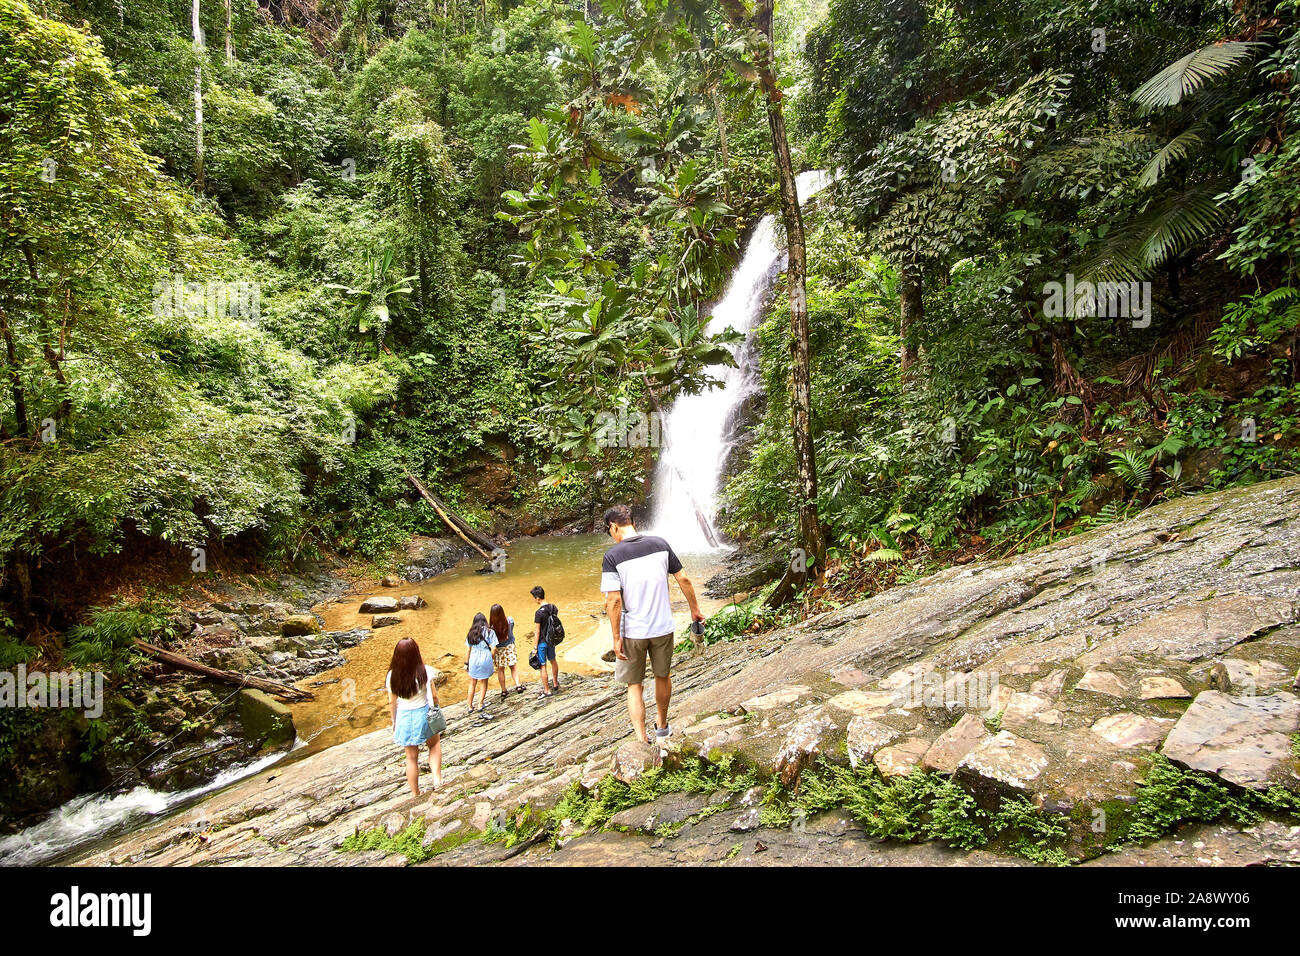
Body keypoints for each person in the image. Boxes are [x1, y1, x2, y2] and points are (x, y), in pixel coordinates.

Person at [599, 504, 704, 744]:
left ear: (614, 527)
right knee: (662, 676)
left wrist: (616, 637)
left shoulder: (612, 556)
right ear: (632, 522)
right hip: (662, 627)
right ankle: (663, 727)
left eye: (610, 531)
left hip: (633, 632)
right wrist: (695, 611)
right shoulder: (660, 544)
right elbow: (684, 579)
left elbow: (613, 600)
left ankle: (641, 738)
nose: (611, 535)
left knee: (634, 684)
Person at [386, 637, 444, 795]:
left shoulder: (392, 676)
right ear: (416, 653)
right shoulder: (424, 671)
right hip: (424, 714)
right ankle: (437, 780)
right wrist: (437, 710)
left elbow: (392, 702)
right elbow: (434, 696)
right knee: (434, 745)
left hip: (405, 717)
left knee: (411, 758)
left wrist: (394, 722)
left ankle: (415, 793)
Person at [530, 585, 561, 698]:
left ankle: (547, 690)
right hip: (551, 640)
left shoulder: (539, 613)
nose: (534, 600)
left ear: (537, 598)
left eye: (534, 598)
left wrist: (534, 647)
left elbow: (537, 631)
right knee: (553, 660)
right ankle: (556, 683)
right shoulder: (553, 607)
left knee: (543, 665)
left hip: (542, 642)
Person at [465, 612, 498, 713]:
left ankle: (470, 706)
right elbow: (494, 648)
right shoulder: (490, 632)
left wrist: (466, 663)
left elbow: (468, 650)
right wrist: (491, 658)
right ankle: (480, 704)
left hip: (474, 658)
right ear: (485, 621)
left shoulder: (471, 632)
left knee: (472, 683)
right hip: (485, 658)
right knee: (484, 682)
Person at [490, 603, 522, 701]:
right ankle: (518, 685)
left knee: (501, 670)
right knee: (513, 667)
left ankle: (504, 690)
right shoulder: (510, 621)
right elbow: (511, 631)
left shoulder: (491, 628)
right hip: (509, 647)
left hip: (499, 650)